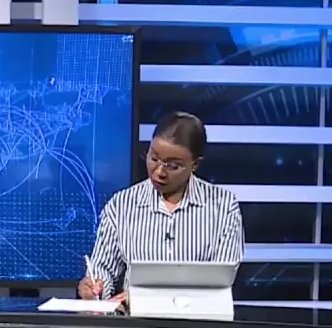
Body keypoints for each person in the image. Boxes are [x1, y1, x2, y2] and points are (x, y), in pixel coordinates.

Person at [78, 111, 244, 304]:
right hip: (135, 320)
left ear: (195, 164)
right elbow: (103, 269)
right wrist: (94, 289)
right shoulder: (121, 205)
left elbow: (218, 283)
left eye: (172, 166)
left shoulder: (224, 207)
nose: (159, 172)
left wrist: (149, 299)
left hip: (197, 320)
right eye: (154, 158)